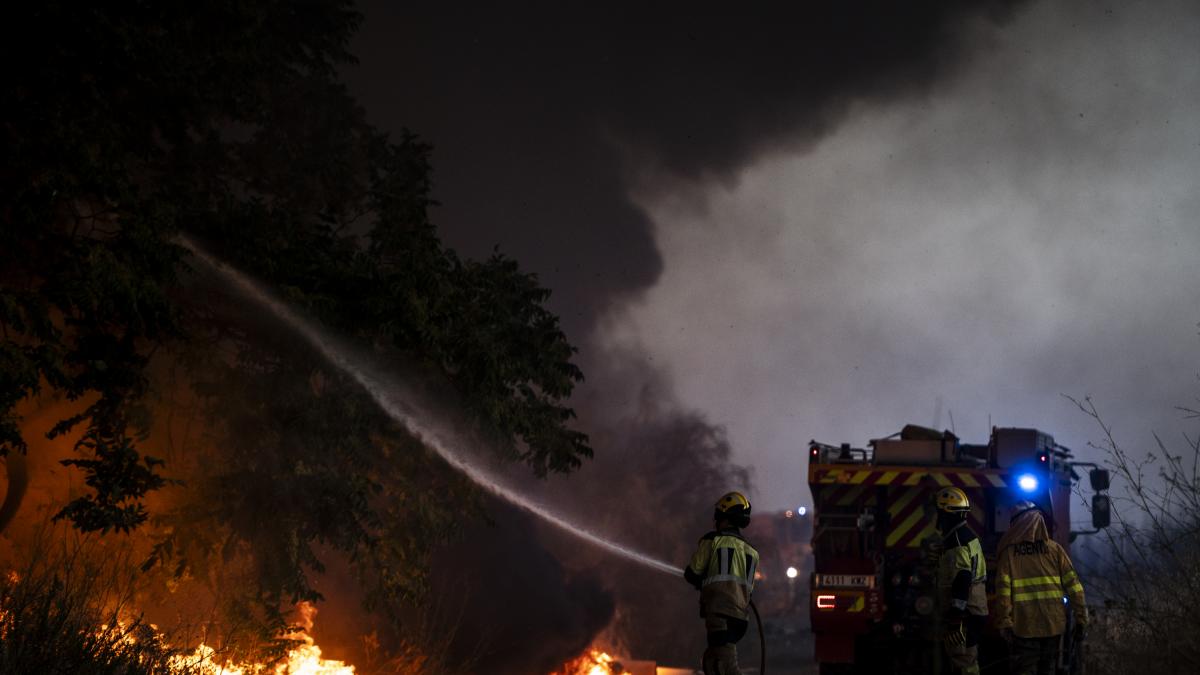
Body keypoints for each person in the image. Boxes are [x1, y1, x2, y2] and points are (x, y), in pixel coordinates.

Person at [994, 501, 1087, 675]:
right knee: (1048, 669)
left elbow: (1003, 592)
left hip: (1024, 626)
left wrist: (1005, 620)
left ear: (1016, 525)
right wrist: (1081, 619)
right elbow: (1075, 588)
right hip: (1053, 625)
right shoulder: (1055, 550)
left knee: (1025, 669)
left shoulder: (1008, 554)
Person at [684, 491, 761, 675]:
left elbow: (693, 572)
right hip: (741, 619)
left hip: (720, 615)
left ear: (723, 516)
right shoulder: (752, 552)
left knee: (726, 666)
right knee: (712, 662)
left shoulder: (713, 540)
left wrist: (699, 580)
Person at [934, 486, 988, 675]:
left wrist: (956, 614)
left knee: (963, 661)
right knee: (966, 660)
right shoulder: (967, 536)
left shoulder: (956, 542)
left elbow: (962, 577)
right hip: (974, 610)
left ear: (946, 514)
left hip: (966, 614)